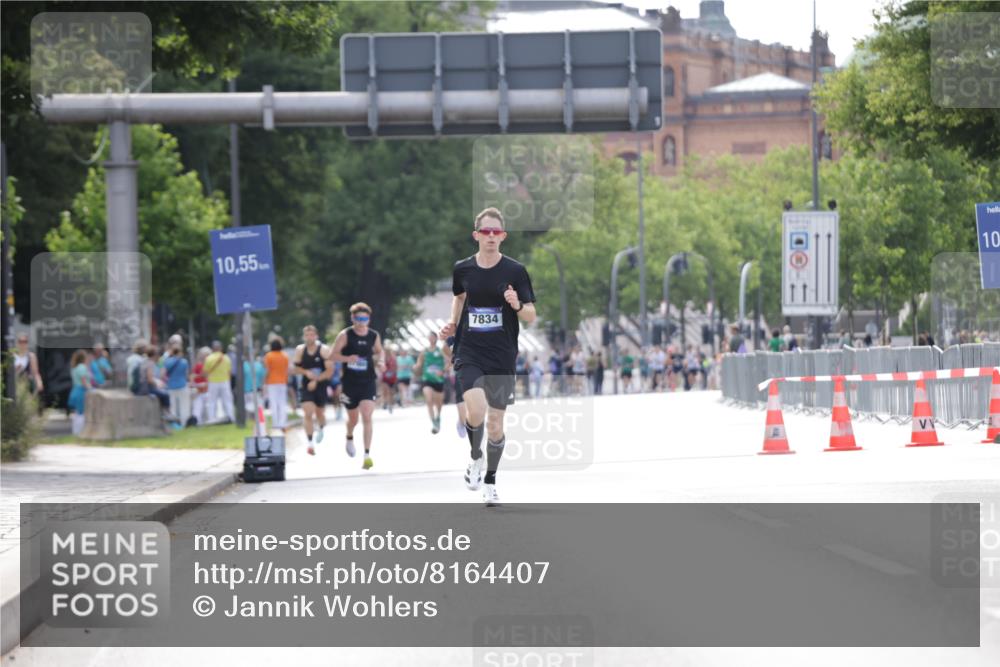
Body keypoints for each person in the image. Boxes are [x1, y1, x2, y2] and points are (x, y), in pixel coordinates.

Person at [439, 207, 536, 506]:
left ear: (503, 236)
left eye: (496, 232)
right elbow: (459, 297)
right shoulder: (463, 269)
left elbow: (531, 315)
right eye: (486, 231)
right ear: (476, 235)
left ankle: (491, 480)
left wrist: (517, 304)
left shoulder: (515, 271)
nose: (491, 236)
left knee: (495, 423)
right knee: (475, 408)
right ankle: (474, 457)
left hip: (502, 354)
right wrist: (453, 323)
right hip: (469, 349)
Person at [330, 303, 384, 470]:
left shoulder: (373, 335)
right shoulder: (345, 335)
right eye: (358, 318)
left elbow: (379, 350)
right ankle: (349, 436)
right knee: (353, 418)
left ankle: (367, 455)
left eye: (365, 318)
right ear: (353, 318)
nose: (362, 322)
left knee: (367, 415)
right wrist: (347, 359)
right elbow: (333, 355)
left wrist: (381, 361)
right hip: (349, 383)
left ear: (369, 319)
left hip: (367, 381)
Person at [293, 325, 333, 455]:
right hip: (306, 386)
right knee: (308, 413)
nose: (309, 337)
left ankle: (321, 427)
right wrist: (306, 372)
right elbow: (296, 369)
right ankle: (310, 443)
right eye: (307, 335)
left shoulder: (324, 350)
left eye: (312, 335)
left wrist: (316, 380)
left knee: (320, 413)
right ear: (304, 336)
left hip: (321, 385)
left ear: (316, 336)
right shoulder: (300, 350)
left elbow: (330, 371)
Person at [414, 332, 447, 434]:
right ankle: (433, 423)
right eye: (430, 337)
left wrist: (443, 370)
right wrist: (416, 367)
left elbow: (449, 361)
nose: (431, 339)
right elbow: (419, 363)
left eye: (433, 337)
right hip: (426, 379)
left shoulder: (441, 350)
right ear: (428, 339)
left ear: (436, 338)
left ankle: (438, 417)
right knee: (428, 399)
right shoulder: (424, 351)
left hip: (438, 380)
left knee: (439, 403)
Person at [203, 340, 235, 424]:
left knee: (212, 401)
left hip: (213, 382)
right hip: (225, 381)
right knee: (227, 400)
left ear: (212, 348)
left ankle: (212, 418)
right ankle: (230, 417)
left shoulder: (209, 358)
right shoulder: (226, 358)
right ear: (220, 348)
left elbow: (205, 372)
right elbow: (230, 372)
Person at [264, 338, 290, 433]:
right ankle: (282, 422)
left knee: (273, 403)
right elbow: (287, 369)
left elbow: (267, 370)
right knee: (282, 403)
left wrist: (264, 381)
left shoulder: (269, 356)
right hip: (283, 382)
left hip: (272, 382)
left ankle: (275, 423)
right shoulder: (285, 356)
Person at [162, 340, 191, 426]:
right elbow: (186, 374)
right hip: (182, 385)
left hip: (171, 386)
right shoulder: (184, 362)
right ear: (180, 352)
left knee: (173, 407)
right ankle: (184, 423)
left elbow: (163, 375)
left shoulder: (167, 362)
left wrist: (168, 381)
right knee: (184, 406)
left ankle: (174, 424)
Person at [13, 333, 44, 407]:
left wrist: (39, 382)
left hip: (27, 385)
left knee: (27, 405)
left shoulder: (31, 356)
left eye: (25, 342)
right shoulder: (12, 356)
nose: (23, 344)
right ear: (17, 343)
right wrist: (16, 370)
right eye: (21, 341)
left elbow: (35, 372)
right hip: (15, 385)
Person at [67, 349, 93, 435]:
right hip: (81, 391)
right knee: (82, 413)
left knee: (76, 413)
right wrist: (91, 390)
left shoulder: (74, 368)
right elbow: (84, 380)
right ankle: (80, 432)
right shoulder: (82, 367)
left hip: (75, 390)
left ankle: (75, 432)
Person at [190, 347, 210, 425]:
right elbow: (193, 376)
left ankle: (207, 421)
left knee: (207, 408)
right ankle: (197, 422)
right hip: (199, 390)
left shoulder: (207, 365)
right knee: (198, 408)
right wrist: (195, 384)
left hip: (207, 389)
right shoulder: (198, 365)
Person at [380, 346, 398, 413]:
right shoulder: (382, 359)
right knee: (385, 390)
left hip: (392, 378)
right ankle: (384, 402)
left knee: (391, 392)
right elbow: (380, 366)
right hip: (385, 377)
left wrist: (395, 374)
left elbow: (396, 367)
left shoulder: (393, 359)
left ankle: (390, 405)